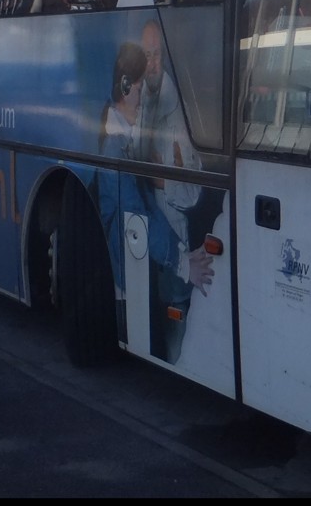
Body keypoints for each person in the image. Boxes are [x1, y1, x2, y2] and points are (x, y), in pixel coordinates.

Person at [97, 38, 213, 364]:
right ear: (125, 86)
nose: (142, 104)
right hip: (126, 283)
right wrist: (182, 262)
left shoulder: (122, 137)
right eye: (138, 93)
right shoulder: (114, 148)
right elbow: (137, 214)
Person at [137, 19, 208, 364]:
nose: (151, 62)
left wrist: (158, 179)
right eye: (145, 54)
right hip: (149, 238)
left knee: (174, 329)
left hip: (173, 243)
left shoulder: (175, 110)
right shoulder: (141, 97)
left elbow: (192, 192)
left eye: (156, 54)